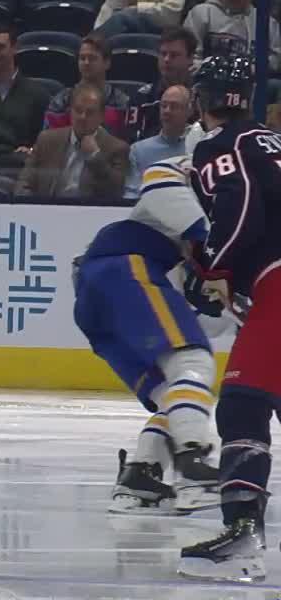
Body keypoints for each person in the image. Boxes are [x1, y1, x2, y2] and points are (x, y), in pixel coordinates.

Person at [178, 56, 281, 582]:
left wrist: (213, 265)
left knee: (243, 402)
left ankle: (242, 534)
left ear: (208, 97)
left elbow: (239, 204)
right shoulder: (271, 140)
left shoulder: (221, 143)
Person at [74, 151, 220, 516]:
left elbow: (213, 309)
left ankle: (142, 477)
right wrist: (206, 240)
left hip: (103, 293)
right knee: (192, 362)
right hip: (125, 268)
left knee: (175, 392)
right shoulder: (225, 159)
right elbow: (159, 177)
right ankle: (193, 465)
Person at [16, 83, 129, 201]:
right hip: (47, 207)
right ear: (70, 112)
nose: (82, 117)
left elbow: (116, 192)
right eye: (78, 110)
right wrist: (26, 205)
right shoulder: (47, 139)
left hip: (89, 210)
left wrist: (95, 156)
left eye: (90, 112)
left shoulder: (118, 148)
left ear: (102, 116)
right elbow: (25, 181)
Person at [0, 23, 51, 173]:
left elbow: (44, 141)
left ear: (14, 48)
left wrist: (32, 149)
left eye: (0, 47)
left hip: (19, 168)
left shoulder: (38, 95)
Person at [184, 0, 281, 73]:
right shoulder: (200, 13)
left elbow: (276, 58)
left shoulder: (265, 21)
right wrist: (202, 67)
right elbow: (189, 51)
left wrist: (253, 68)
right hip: (206, 75)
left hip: (250, 78)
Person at [43, 33, 130, 137]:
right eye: (82, 58)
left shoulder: (120, 102)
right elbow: (50, 139)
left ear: (107, 63)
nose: (86, 62)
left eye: (92, 58)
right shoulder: (61, 102)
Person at [127, 28, 198, 142]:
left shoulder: (200, 97)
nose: (166, 59)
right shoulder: (143, 97)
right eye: (163, 54)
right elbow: (132, 140)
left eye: (174, 55)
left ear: (190, 58)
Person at [124, 85, 193, 199]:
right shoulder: (139, 150)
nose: (167, 111)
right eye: (164, 106)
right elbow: (132, 193)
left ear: (189, 111)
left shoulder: (200, 145)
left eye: (174, 106)